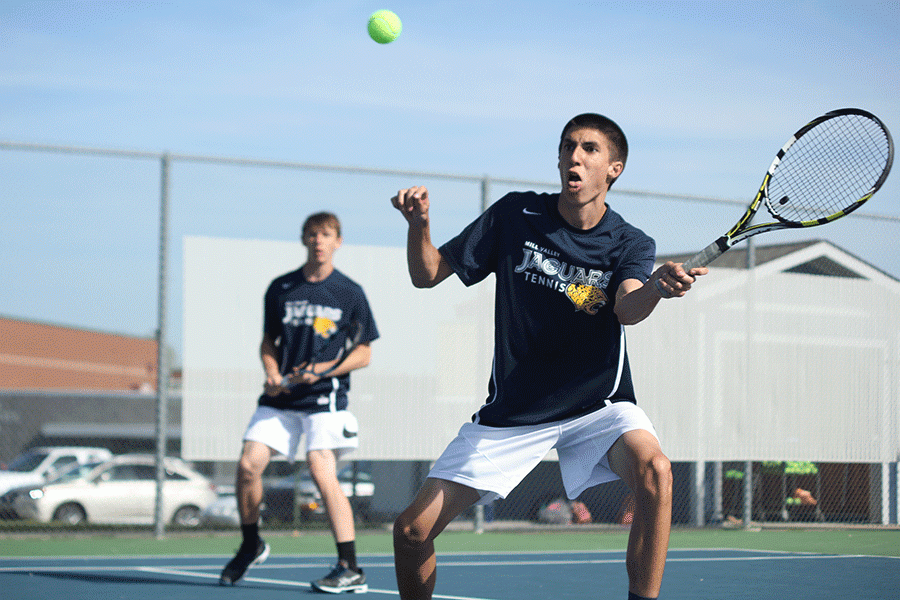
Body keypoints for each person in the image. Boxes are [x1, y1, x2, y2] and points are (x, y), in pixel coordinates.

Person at [390, 113, 707, 600]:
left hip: (596, 407)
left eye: (589, 149)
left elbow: (626, 308)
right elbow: (426, 273)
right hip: (514, 412)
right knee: (411, 531)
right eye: (567, 147)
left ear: (613, 169)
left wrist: (658, 289)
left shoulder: (629, 242)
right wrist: (420, 226)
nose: (574, 157)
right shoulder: (514, 215)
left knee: (657, 472)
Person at [219, 212, 378, 594]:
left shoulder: (349, 292)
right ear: (303, 240)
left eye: (326, 235)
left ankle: (350, 566)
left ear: (338, 241)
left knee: (321, 470)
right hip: (282, 399)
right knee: (247, 465)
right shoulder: (281, 288)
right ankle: (251, 543)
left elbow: (364, 353)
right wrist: (271, 371)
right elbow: (268, 342)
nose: (318, 241)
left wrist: (323, 370)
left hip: (325, 397)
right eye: (312, 235)